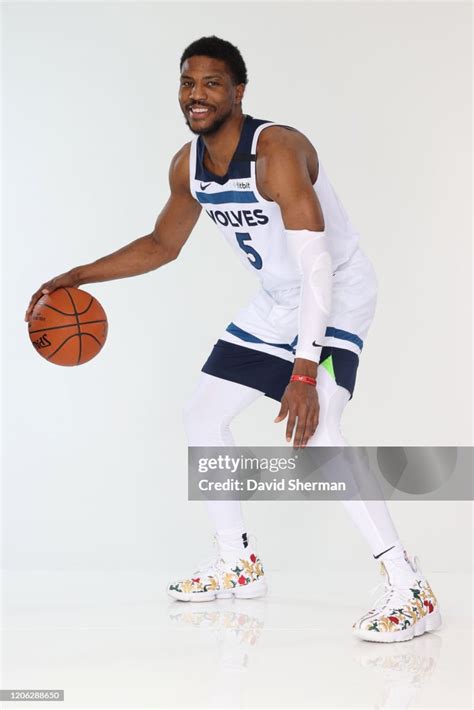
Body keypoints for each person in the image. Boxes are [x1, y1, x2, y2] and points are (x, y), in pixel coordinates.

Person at [25, 36, 441, 642]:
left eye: (212, 84)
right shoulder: (187, 165)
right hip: (278, 300)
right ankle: (237, 562)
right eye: (188, 84)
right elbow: (162, 246)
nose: (197, 95)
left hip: (336, 291)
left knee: (321, 429)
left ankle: (409, 586)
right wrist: (78, 276)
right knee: (202, 414)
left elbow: (318, 265)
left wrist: (303, 373)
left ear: (238, 93)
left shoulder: (277, 150)